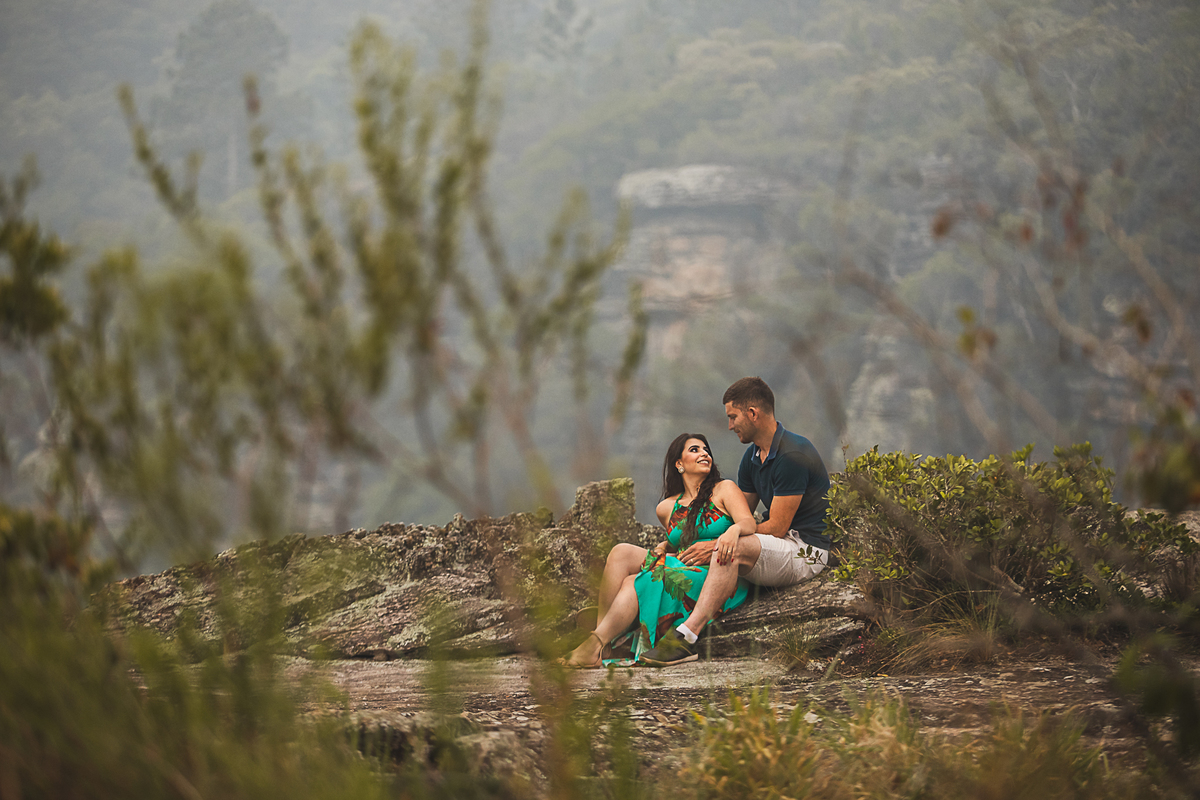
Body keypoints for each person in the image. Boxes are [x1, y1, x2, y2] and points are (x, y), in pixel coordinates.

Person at [637, 376, 833, 666]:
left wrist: (718, 543)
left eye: (733, 417)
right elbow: (737, 517)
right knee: (712, 550)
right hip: (773, 547)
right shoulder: (752, 458)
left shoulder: (793, 454)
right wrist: (674, 543)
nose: (730, 426)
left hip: (805, 550)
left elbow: (778, 527)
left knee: (730, 547)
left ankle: (686, 637)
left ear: (752, 413)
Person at [559, 433, 757, 668]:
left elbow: (748, 522)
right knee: (621, 552)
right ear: (679, 464)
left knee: (637, 580)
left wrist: (732, 532)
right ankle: (603, 640)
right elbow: (683, 539)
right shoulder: (666, 507)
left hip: (719, 571)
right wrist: (665, 545)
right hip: (685, 564)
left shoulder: (724, 489)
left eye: (706, 450)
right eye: (695, 450)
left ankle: (594, 645)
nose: (704, 453)